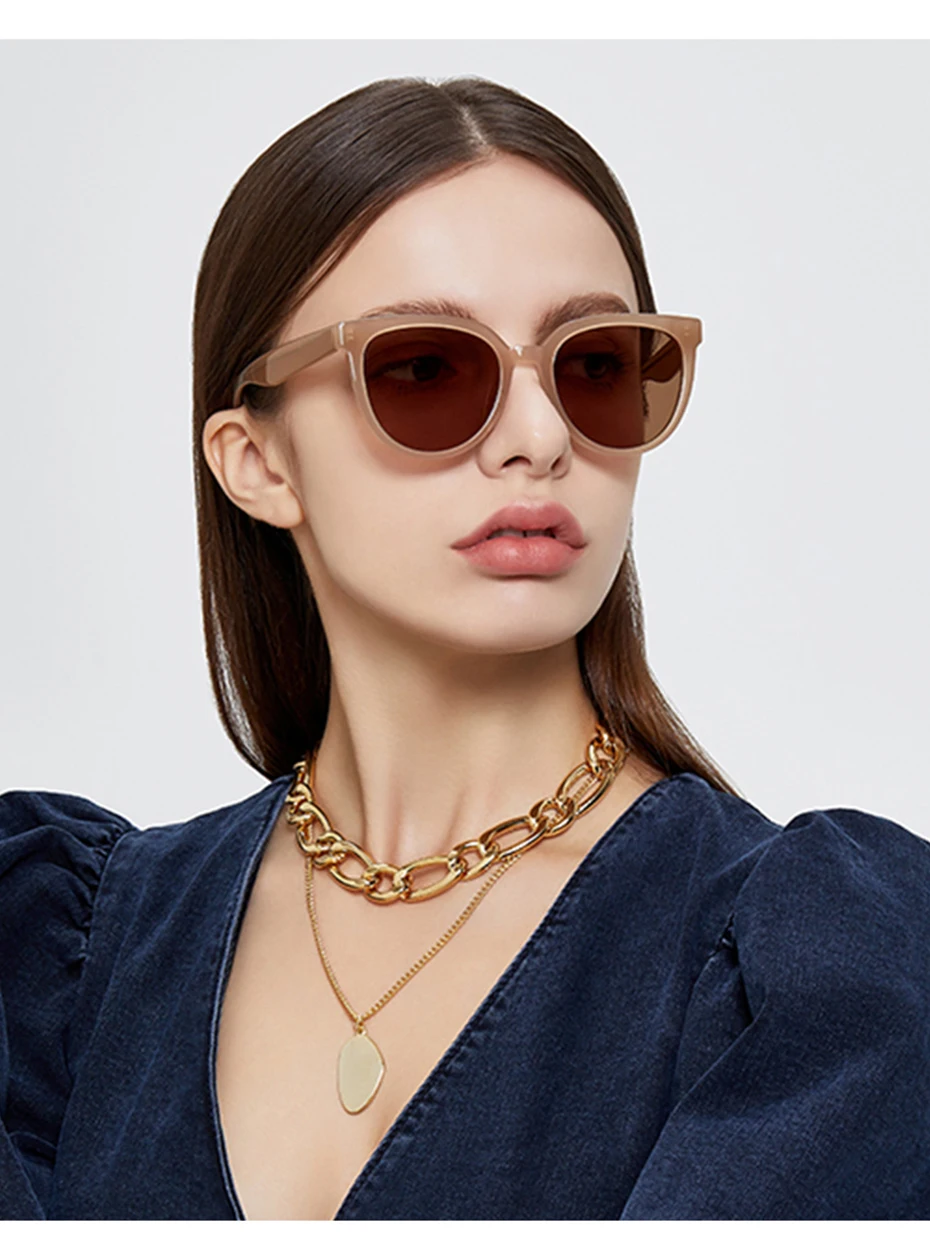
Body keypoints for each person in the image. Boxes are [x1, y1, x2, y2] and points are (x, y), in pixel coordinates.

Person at [1, 75, 928, 1223]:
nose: (540, 438)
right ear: (259, 462)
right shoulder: (61, 959)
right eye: (428, 369)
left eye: (595, 365)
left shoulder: (823, 976)